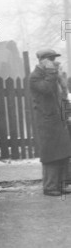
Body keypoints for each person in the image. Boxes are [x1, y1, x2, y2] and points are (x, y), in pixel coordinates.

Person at [29, 48, 71, 196]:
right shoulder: (35, 77)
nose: (54, 62)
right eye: (51, 59)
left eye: (54, 59)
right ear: (43, 61)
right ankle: (50, 187)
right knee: (51, 154)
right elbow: (46, 89)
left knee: (64, 152)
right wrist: (52, 73)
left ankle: (62, 184)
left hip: (59, 120)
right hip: (46, 121)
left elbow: (64, 97)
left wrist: (67, 115)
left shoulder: (54, 76)